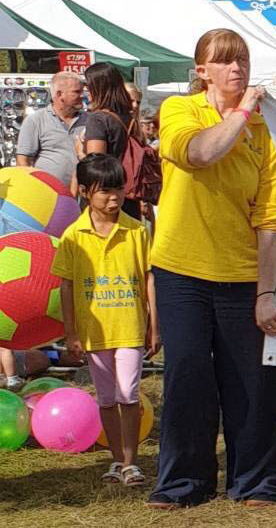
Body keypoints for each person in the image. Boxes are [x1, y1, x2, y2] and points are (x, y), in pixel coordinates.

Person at [149, 28, 276, 509]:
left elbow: (268, 221)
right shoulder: (179, 111)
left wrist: (266, 292)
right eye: (225, 61)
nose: (237, 69)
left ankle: (255, 481)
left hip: (242, 274)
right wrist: (243, 111)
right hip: (181, 270)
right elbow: (200, 154)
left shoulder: (265, 132)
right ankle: (182, 482)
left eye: (243, 60)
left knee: (251, 382)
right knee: (186, 376)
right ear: (201, 71)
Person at [55, 154, 157, 486]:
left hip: (129, 327)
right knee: (106, 398)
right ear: (85, 192)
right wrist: (70, 332)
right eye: (105, 192)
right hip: (93, 332)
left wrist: (155, 325)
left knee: (128, 394)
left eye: (119, 190)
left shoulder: (136, 232)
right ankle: (116, 459)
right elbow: (66, 286)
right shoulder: (72, 236)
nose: (114, 199)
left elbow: (148, 279)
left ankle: (131, 461)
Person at [79, 62, 142, 216]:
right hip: (130, 195)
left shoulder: (99, 119)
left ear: (97, 88)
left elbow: (97, 164)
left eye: (88, 88)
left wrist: (81, 153)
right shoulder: (130, 117)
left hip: (106, 201)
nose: (85, 94)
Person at [15, 70, 87, 187]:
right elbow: (23, 161)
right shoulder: (36, 121)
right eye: (77, 92)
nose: (82, 96)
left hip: (83, 195)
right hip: (48, 196)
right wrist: (30, 187)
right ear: (59, 95)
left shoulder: (89, 120)